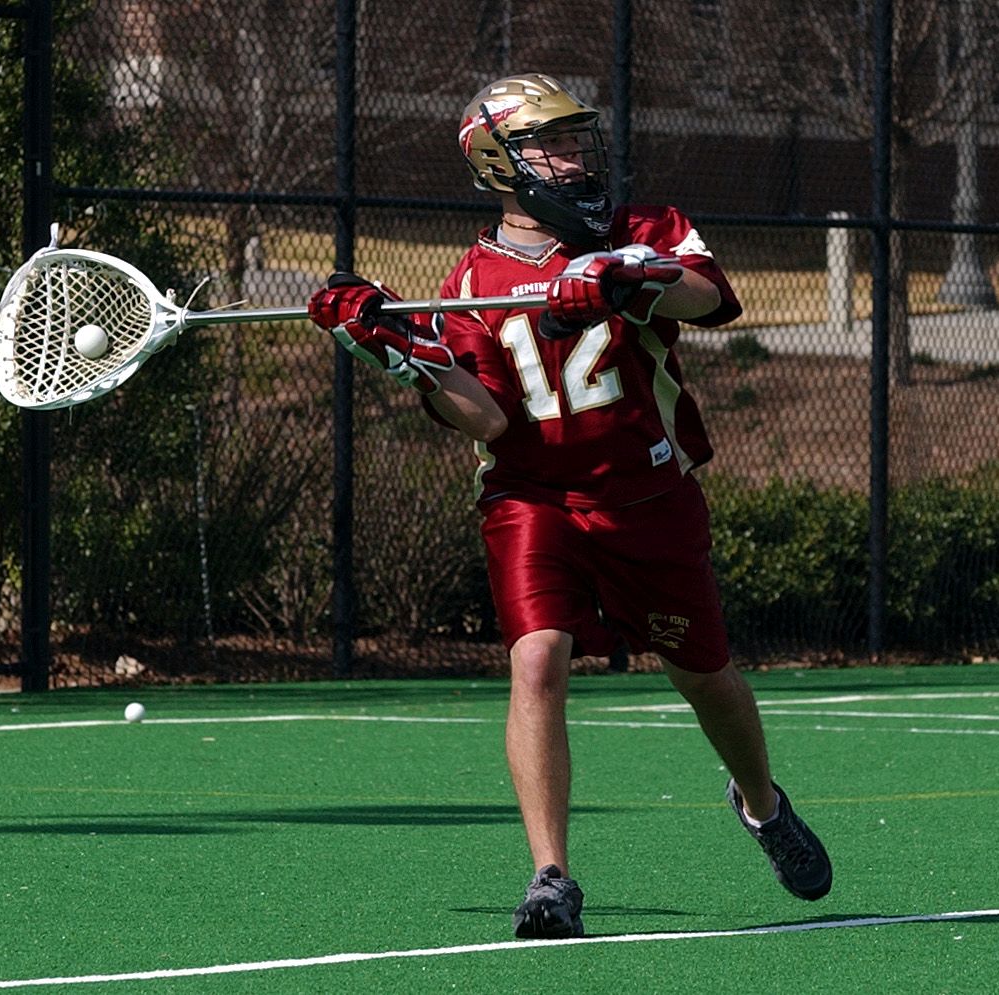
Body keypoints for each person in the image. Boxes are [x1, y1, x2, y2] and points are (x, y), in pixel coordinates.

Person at [307, 72, 831, 939]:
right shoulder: (471, 279)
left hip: (646, 493)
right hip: (532, 497)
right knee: (537, 660)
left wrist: (624, 276)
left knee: (703, 675)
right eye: (549, 143)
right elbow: (485, 417)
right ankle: (550, 875)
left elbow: (708, 297)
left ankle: (762, 805)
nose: (573, 157)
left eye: (574, 139)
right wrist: (395, 346)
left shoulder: (639, 229)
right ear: (497, 161)